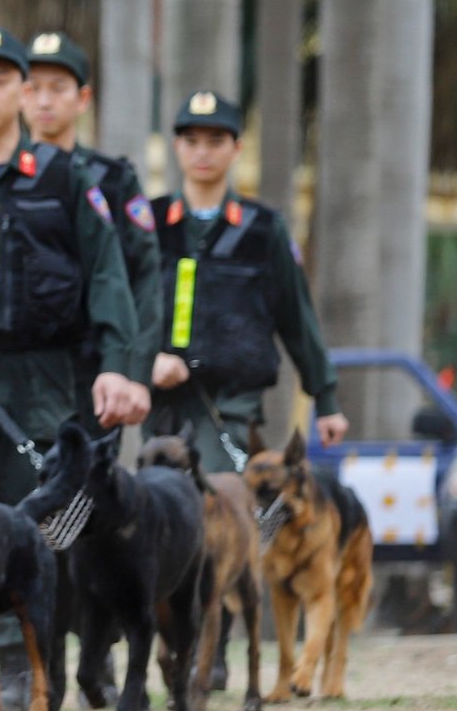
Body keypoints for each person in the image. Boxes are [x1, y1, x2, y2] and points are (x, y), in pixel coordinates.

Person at [0, 26, 138, 711]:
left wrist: (118, 364)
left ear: (25, 92)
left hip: (47, 372)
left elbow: (110, 274)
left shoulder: (67, 178)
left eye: (2, 80)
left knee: (38, 524)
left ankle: (27, 670)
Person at [148, 91, 348, 467]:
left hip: (231, 406)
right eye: (191, 142)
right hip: (163, 405)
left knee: (217, 511)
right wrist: (148, 362)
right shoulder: (150, 222)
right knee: (160, 512)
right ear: (176, 147)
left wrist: (326, 400)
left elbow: (296, 316)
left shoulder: (263, 228)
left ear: (236, 147)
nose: (202, 153)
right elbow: (125, 310)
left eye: (215, 141)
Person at [21, 31, 158, 434]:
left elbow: (144, 277)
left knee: (89, 492)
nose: (44, 101)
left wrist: (135, 371)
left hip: (94, 370)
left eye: (58, 89)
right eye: (34, 88)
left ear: (82, 98)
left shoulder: (113, 181)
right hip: (21, 364)